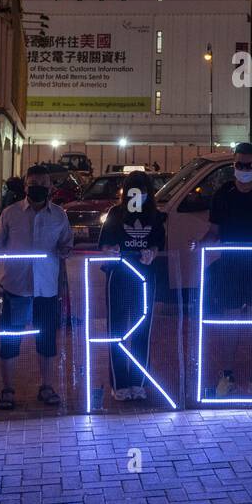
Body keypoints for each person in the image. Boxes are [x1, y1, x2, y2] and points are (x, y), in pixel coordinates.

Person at [0, 165, 74, 410]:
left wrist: (65, 252)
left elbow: (67, 245)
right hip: (16, 288)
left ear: (50, 187)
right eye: (33, 183)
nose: (38, 188)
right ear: (25, 185)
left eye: (43, 184)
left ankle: (47, 386)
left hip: (47, 290)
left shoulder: (59, 215)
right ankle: (7, 389)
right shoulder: (11, 213)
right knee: (10, 340)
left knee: (47, 341)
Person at [198, 143, 252, 397]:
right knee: (231, 322)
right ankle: (227, 376)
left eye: (248, 165)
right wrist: (199, 245)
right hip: (230, 265)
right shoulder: (223, 193)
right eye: (238, 165)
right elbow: (213, 231)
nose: (243, 169)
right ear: (233, 165)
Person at [98, 170, 165, 402]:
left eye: (143, 191)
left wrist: (151, 253)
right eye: (134, 190)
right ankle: (119, 384)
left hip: (145, 278)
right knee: (116, 331)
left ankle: (138, 382)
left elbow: (159, 245)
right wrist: (111, 251)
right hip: (118, 276)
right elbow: (104, 245)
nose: (138, 195)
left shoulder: (156, 216)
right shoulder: (116, 214)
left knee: (142, 331)